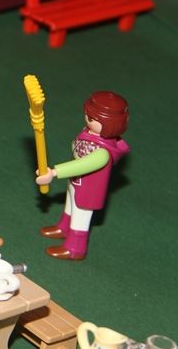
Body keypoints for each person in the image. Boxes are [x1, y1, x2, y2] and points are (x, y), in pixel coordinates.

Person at [35, 91, 130, 261]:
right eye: (87, 115)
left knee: (81, 217)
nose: (87, 119)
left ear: (110, 124)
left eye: (92, 118)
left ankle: (75, 248)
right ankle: (64, 228)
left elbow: (81, 165)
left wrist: (54, 172)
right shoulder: (88, 134)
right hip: (77, 182)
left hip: (88, 191)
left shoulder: (102, 153)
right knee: (70, 206)